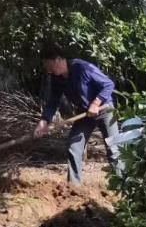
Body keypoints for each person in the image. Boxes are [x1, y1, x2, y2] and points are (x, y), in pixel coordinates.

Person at [33, 46, 123, 185]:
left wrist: (95, 103)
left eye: (48, 64)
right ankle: (74, 188)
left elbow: (108, 84)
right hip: (84, 114)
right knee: (73, 147)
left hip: (104, 110)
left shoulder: (82, 67)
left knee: (113, 147)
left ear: (58, 60)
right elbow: (53, 101)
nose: (48, 69)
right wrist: (44, 121)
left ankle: (122, 185)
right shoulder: (56, 78)